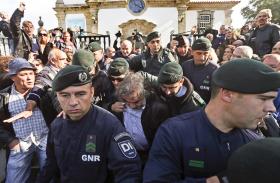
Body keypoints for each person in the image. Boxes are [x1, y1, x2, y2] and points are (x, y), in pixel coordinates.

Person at [143, 59, 280, 183]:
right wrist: (220, 180)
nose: (272, 108)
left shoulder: (258, 140)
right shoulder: (174, 132)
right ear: (227, 95)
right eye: (263, 98)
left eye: (272, 100)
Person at [37, 65, 141, 183]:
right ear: (57, 96)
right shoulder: (57, 125)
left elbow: (128, 171)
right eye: (65, 95)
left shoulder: (109, 125)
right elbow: (51, 166)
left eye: (80, 94)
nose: (73, 102)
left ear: (91, 92)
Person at [0, 58, 49, 183]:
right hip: (20, 144)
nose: (29, 78)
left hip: (45, 141)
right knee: (13, 180)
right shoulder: (4, 97)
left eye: (31, 73)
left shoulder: (43, 93)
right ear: (12, 77)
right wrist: (10, 141)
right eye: (23, 74)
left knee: (50, 175)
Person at [114, 72, 170, 164]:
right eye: (127, 102)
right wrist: (110, 107)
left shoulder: (158, 109)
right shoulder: (118, 103)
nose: (131, 106)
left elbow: (164, 141)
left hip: (151, 157)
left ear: (143, 93)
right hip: (127, 155)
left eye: (135, 102)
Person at [182, 37, 219, 103]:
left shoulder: (215, 69)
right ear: (192, 52)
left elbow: (216, 96)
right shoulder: (185, 66)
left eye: (205, 53)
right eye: (199, 53)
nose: (202, 57)